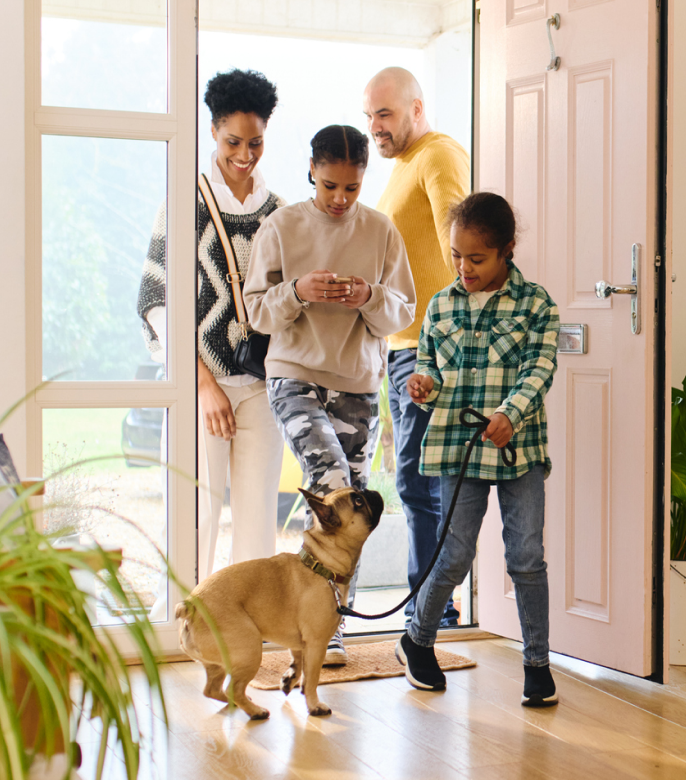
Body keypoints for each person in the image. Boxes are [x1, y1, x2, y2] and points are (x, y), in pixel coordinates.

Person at [243, 125, 416, 665]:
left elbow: (403, 311)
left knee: (354, 508)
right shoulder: (282, 226)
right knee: (335, 488)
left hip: (358, 383)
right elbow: (255, 310)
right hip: (293, 373)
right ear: (312, 172)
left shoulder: (382, 231)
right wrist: (297, 291)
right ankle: (313, 624)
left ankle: (324, 626)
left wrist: (368, 295)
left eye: (352, 188)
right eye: (330, 186)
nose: (341, 199)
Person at [395, 192, 560, 708]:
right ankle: (417, 641)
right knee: (455, 554)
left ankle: (537, 663)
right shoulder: (441, 305)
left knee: (526, 557)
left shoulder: (537, 305)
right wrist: (423, 385)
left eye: (477, 259)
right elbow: (433, 371)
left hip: (518, 448)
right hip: (456, 449)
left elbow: (540, 369)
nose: (464, 268)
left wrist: (510, 413)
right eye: (456, 257)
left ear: (506, 250)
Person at [137, 68, 285, 587]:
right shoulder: (185, 202)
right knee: (193, 517)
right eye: (233, 141)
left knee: (256, 525)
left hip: (261, 390)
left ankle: (253, 631)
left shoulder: (278, 213)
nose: (245, 154)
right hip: (199, 387)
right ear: (213, 132)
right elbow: (157, 300)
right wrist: (201, 383)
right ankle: (181, 628)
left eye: (256, 142)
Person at [363, 66, 470, 628]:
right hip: (402, 346)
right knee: (414, 479)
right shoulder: (403, 166)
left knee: (421, 478)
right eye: (370, 116)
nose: (375, 126)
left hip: (430, 347)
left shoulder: (437, 155)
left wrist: (445, 341)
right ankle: (433, 606)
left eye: (385, 113)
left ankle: (433, 609)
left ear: (417, 108)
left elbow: (462, 246)